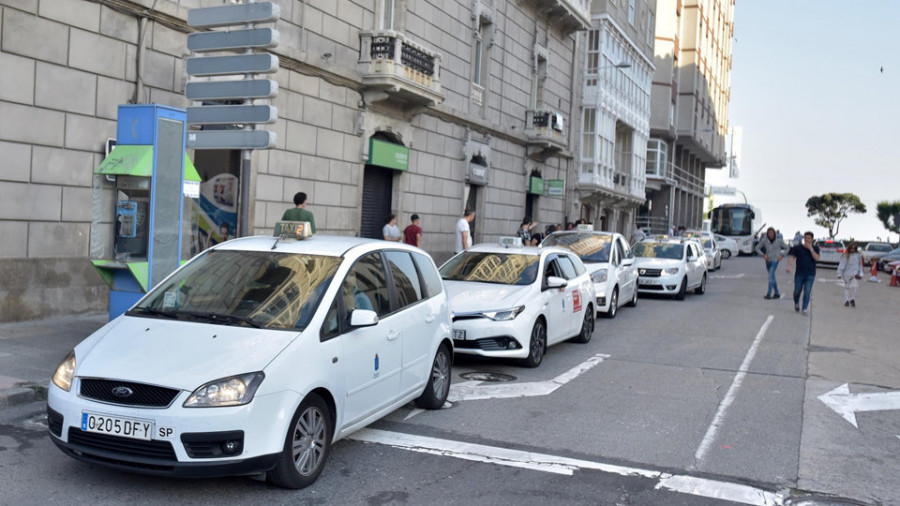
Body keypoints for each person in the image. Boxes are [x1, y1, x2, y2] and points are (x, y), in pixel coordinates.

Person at [785, 231, 820, 314]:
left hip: (810, 273)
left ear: (812, 239)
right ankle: (796, 302)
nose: (807, 240)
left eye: (809, 238)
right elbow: (792, 257)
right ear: (803, 239)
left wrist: (810, 249)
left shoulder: (815, 248)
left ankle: (804, 308)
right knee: (797, 291)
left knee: (807, 291)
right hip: (799, 273)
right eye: (805, 238)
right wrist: (788, 266)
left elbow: (817, 258)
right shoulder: (798, 248)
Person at [755, 227, 789, 299]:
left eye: (772, 233)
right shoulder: (764, 241)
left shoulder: (779, 241)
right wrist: (763, 255)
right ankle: (776, 293)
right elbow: (757, 248)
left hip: (775, 260)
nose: (771, 234)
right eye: (769, 233)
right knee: (772, 277)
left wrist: (782, 255)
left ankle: (769, 293)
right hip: (768, 260)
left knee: (770, 275)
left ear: (774, 233)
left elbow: (787, 248)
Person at [836, 242, 864, 307]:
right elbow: (842, 265)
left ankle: (852, 299)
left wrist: (860, 273)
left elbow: (860, 265)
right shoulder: (845, 256)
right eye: (851, 248)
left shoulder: (858, 256)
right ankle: (846, 300)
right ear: (849, 249)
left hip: (855, 274)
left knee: (854, 287)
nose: (852, 250)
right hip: (847, 274)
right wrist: (839, 273)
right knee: (847, 287)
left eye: (854, 248)